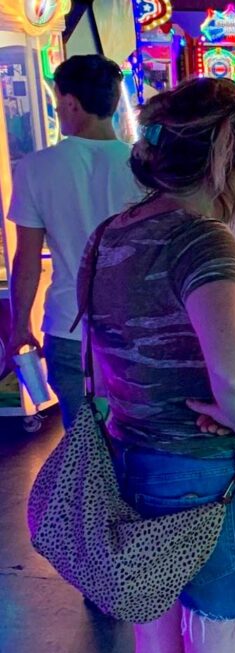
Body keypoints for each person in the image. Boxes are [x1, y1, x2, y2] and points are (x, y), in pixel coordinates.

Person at [77, 78, 235, 653]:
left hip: (134, 467)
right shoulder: (202, 242)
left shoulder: (108, 235)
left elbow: (107, 360)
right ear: (222, 162)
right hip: (214, 481)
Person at [7, 55, 143, 428]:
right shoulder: (143, 166)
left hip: (69, 327)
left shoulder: (36, 168)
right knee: (138, 435)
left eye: (57, 101)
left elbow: (27, 260)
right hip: (137, 326)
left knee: (84, 442)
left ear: (70, 103)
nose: (56, 110)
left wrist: (20, 326)